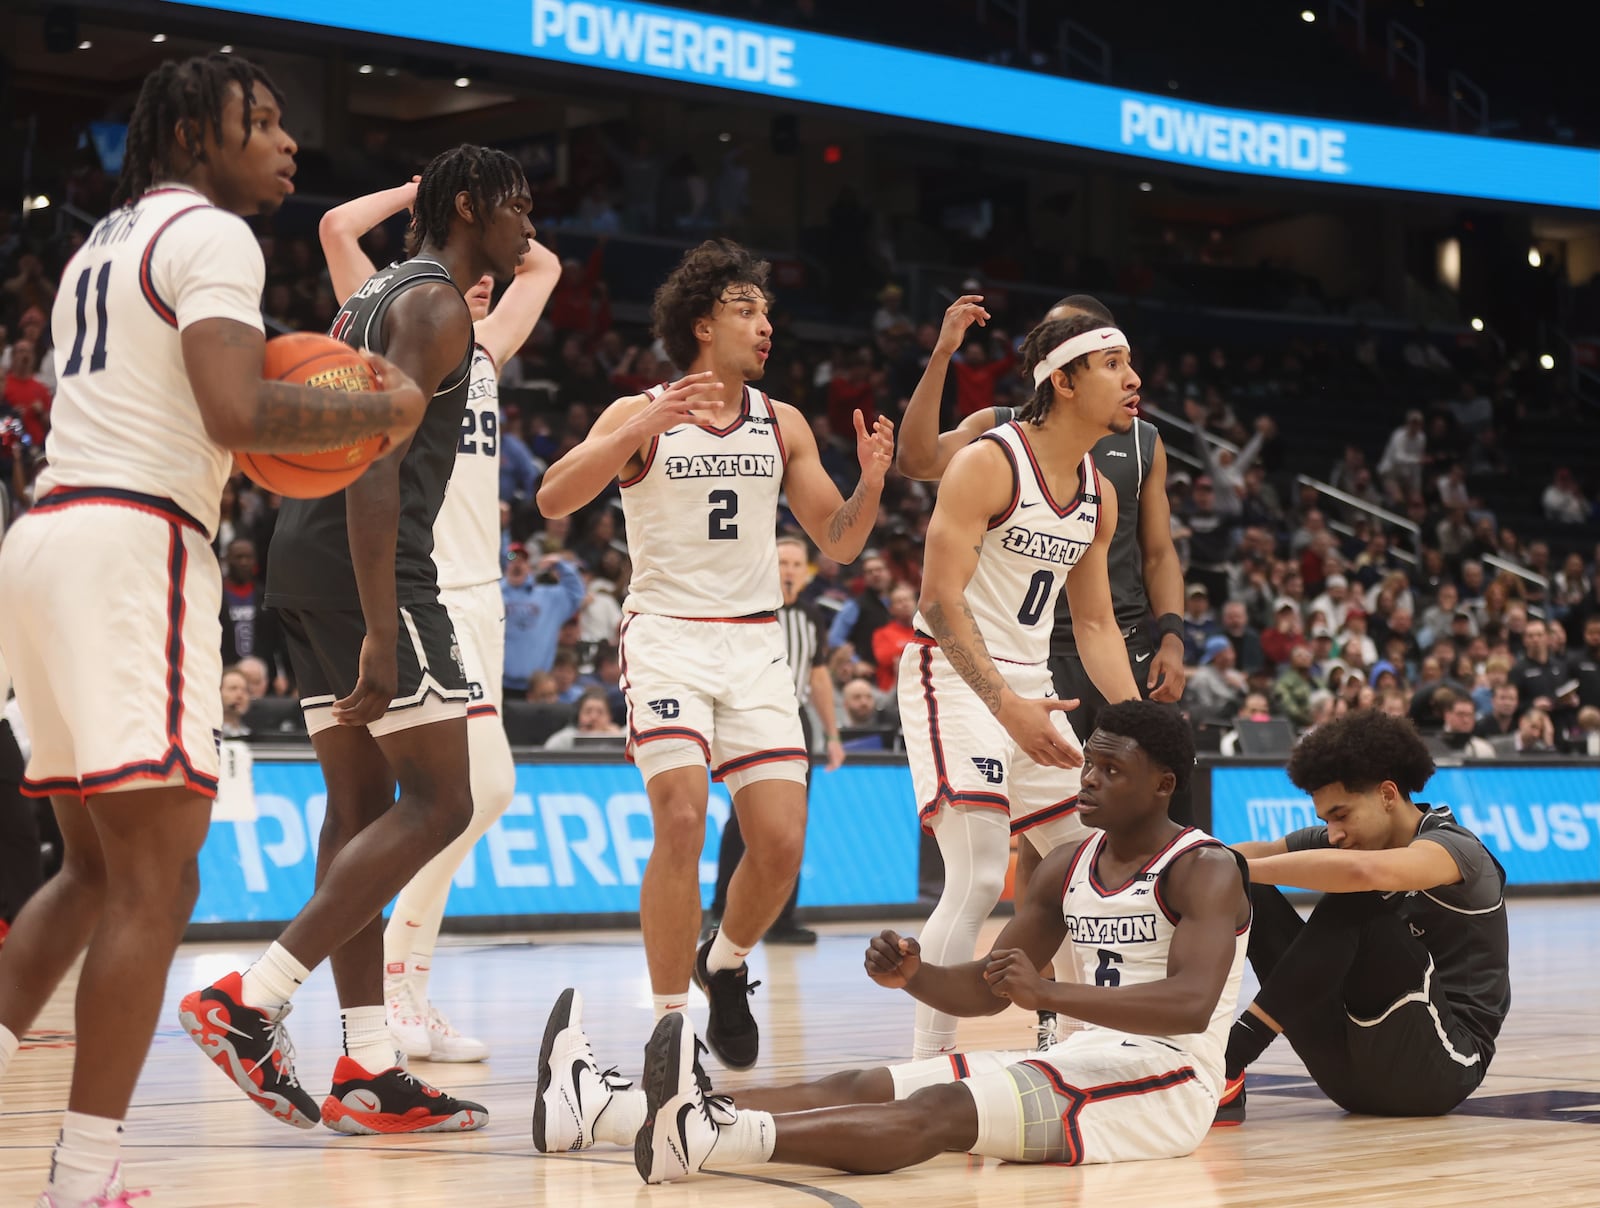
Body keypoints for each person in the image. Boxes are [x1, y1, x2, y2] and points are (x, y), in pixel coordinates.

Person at [0, 54, 428, 1206]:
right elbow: (237, 413)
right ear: (196, 133)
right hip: (132, 544)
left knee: (90, 868)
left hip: (44, 539)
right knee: (158, 877)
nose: (288, 140)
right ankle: (84, 1175)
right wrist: (377, 405)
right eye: (264, 119)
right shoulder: (214, 237)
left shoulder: (101, 239)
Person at [179, 144, 535, 1136]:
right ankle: (251, 998)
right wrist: (385, 624)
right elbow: (378, 456)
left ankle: (369, 1063)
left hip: (298, 552)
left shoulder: (374, 292)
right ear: (467, 203)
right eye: (515, 208)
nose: (525, 229)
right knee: (444, 797)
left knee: (361, 804)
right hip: (367, 563)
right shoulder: (434, 304)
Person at [534, 702, 1253, 1181]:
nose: (1088, 780)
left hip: (1165, 1082)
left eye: (1110, 770)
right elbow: (984, 985)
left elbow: (1192, 1005)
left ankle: (708, 1138)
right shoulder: (1067, 864)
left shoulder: (1205, 869)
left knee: (941, 1115)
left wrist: (1050, 994)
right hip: (1080, 1056)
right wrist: (916, 976)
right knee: (861, 1083)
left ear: (1163, 785)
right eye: (1088, 763)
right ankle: (599, 1109)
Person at [535, 238, 894, 1070]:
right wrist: (642, 424)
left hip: (755, 643)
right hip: (667, 636)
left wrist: (871, 485)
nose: (764, 325)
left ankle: (724, 962)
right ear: (701, 325)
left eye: (766, 310)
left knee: (778, 843)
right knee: (684, 816)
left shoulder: (783, 422)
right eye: (745, 310)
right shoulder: (639, 411)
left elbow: (838, 543)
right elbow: (553, 497)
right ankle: (668, 1030)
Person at [896, 293, 1187, 1049]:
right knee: (982, 865)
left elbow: (1092, 625)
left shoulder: (1101, 494)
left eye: (1131, 364)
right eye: (1114, 365)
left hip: (1033, 689)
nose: (1134, 379)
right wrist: (1005, 706)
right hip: (954, 675)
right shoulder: (988, 462)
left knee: (1077, 866)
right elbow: (936, 600)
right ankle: (929, 1064)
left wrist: (1140, 728)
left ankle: (1067, 1036)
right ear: (1063, 379)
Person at [318, 174, 560, 1063]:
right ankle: (395, 978)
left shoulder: (485, 343)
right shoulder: (398, 309)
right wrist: (425, 193)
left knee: (456, 799)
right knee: (474, 792)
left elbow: (548, 265)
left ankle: (409, 993)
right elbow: (338, 220)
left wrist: (495, 245)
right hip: (424, 584)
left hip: (481, 591)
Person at [1222, 710, 1509, 1122]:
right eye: (1326, 821)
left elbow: (1363, 873)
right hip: (1347, 1075)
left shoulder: (1457, 850)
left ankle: (1230, 1057)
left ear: (1388, 795)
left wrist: (1234, 866)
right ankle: (1200, 1057)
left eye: (1341, 815)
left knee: (1354, 893)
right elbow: (1245, 855)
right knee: (1244, 887)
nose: (1334, 833)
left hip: (1441, 1068)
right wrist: (1174, 861)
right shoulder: (1346, 841)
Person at [708, 535, 847, 947]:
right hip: (750, 714)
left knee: (792, 824)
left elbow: (818, 676)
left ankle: (782, 917)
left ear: (805, 574)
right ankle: (721, 913)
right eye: (781, 562)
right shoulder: (751, 607)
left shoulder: (810, 616)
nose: (787, 570)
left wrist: (833, 734)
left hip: (795, 718)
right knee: (743, 821)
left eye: (794, 564)